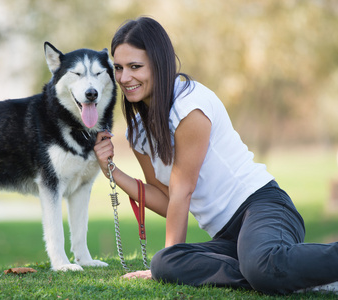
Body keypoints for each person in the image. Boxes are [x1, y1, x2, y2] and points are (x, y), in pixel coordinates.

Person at [94, 16, 338, 295]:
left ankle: (277, 269)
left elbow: (183, 191)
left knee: (241, 264)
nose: (125, 78)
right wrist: (112, 171)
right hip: (228, 238)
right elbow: (168, 199)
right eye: (119, 68)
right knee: (167, 263)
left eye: (135, 67)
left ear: (158, 64)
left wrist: (171, 261)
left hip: (263, 208)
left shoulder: (190, 106)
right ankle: (288, 274)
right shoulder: (138, 132)